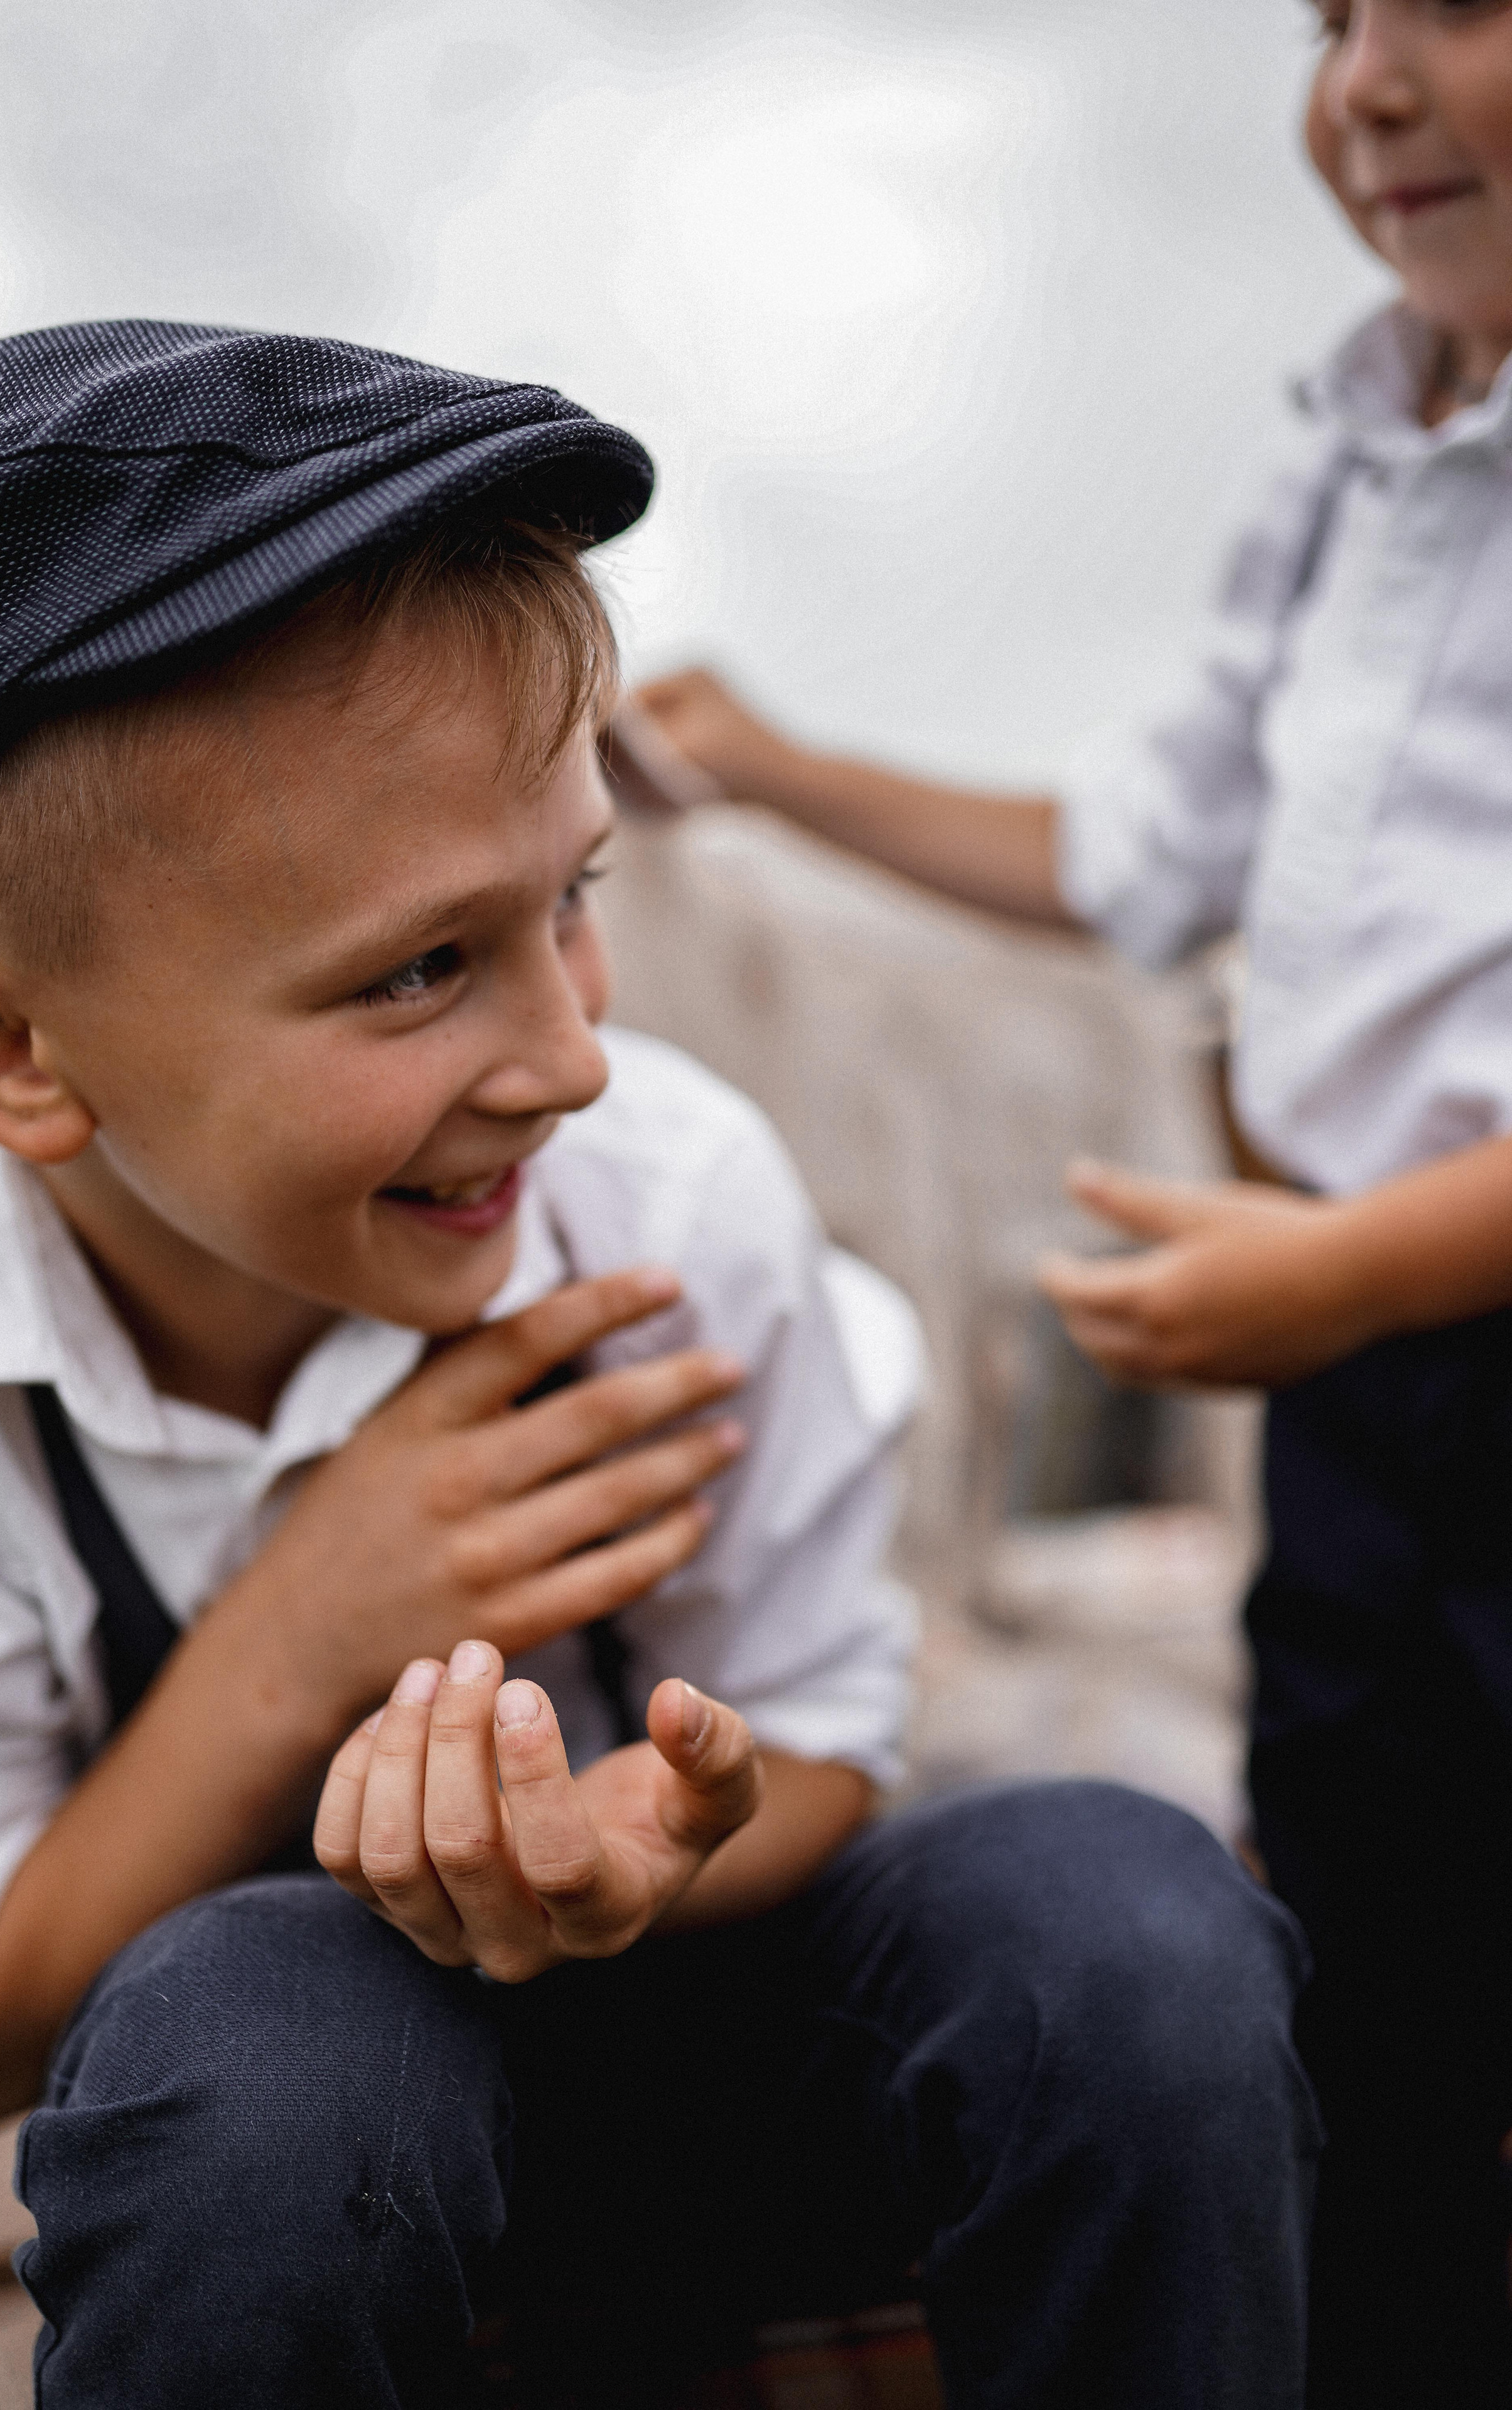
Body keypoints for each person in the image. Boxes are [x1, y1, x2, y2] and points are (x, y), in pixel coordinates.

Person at [0, 321, 1315, 2410]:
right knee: (251, 2051)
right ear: (6, 1052)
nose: (569, 1058)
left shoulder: (666, 1196)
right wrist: (297, 1636)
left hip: (755, 2032)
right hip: (333, 2140)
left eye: (574, 900)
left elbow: (830, 1725)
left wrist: (646, 1851)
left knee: (1120, 1910)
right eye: (418, 970)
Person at [635, 6, 1512, 2403]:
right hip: (1366, 1390)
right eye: (1328, 21)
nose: (1369, 84)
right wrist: (781, 767)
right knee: (1382, 1948)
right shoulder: (1348, 464)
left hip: (1407, 1299)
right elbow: (1140, 859)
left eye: (1452, 3)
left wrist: (1340, 1261)